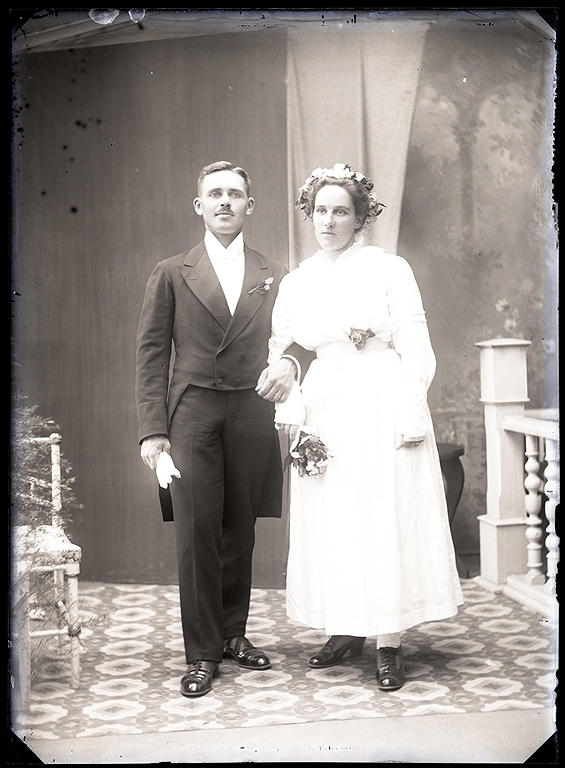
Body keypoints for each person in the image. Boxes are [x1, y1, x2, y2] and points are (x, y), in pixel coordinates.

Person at [266, 163, 464, 691]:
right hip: (325, 401)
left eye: (340, 211)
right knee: (335, 513)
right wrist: (291, 395)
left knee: (382, 509)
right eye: (320, 211)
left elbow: (414, 341)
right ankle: (347, 628)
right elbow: (282, 349)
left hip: (380, 392)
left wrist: (411, 406)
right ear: (309, 215)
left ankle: (389, 640)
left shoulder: (389, 269)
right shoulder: (296, 281)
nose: (328, 221)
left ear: (360, 218)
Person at [135, 161, 301, 698]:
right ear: (199, 206)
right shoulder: (171, 272)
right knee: (197, 531)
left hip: (252, 409)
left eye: (234, 194)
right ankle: (202, 652)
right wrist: (152, 430)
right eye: (215, 194)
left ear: (250, 205)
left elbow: (298, 339)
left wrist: (289, 364)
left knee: (240, 529)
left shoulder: (276, 272)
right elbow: (152, 355)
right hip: (193, 413)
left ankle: (232, 634)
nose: (225, 202)